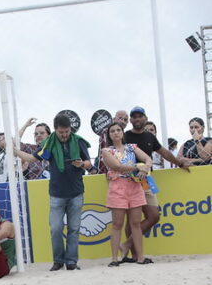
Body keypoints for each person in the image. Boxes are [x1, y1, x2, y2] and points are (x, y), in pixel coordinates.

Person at [14, 114, 91, 271]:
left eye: (67, 132)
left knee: (74, 229)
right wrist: (14, 151)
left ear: (70, 129)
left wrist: (82, 164)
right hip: (56, 193)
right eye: (61, 132)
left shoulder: (79, 141)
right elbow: (33, 158)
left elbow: (89, 162)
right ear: (55, 130)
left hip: (76, 191)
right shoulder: (49, 144)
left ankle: (71, 262)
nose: (64, 135)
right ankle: (58, 261)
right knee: (55, 228)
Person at [120, 106, 193, 262]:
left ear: (145, 118)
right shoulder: (125, 136)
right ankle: (134, 256)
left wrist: (179, 163)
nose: (137, 119)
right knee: (132, 219)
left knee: (154, 216)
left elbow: (164, 153)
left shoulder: (149, 137)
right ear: (131, 120)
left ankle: (127, 244)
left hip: (146, 181)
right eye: (134, 117)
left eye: (140, 116)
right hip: (129, 181)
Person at [101, 122, 152, 266]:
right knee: (117, 224)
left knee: (135, 223)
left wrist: (144, 168)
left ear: (123, 132)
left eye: (118, 130)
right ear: (109, 135)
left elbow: (148, 158)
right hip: (118, 186)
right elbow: (117, 166)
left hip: (135, 186)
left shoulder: (132, 147)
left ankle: (140, 257)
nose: (116, 133)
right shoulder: (107, 151)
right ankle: (114, 258)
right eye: (113, 131)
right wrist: (138, 167)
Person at [95, 110, 129, 176]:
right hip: (107, 172)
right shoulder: (107, 132)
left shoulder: (125, 135)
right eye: (120, 118)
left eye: (125, 120)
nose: (122, 121)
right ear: (113, 119)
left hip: (121, 173)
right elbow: (107, 152)